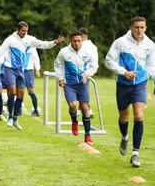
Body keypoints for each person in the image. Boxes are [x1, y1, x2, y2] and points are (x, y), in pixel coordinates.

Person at [0, 21, 64, 130]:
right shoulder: (10, 39)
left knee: (20, 95)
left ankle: (14, 119)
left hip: (21, 70)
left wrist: (55, 42)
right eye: (23, 31)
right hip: (9, 69)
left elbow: (42, 44)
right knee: (12, 92)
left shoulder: (29, 39)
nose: (25, 33)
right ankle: (10, 117)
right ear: (18, 30)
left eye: (26, 31)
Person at [105, 16, 155, 167]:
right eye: (136, 27)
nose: (139, 30)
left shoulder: (150, 45)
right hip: (123, 84)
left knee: (139, 115)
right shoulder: (120, 42)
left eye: (142, 27)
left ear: (145, 28)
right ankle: (125, 136)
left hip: (140, 83)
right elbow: (108, 60)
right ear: (131, 27)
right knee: (123, 117)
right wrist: (123, 72)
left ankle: (135, 154)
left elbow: (151, 65)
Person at [54, 31, 98, 145]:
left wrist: (87, 73)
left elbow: (94, 66)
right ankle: (74, 121)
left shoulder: (88, 51)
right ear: (70, 41)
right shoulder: (64, 52)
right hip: (69, 83)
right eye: (75, 41)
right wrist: (60, 78)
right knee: (73, 105)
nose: (77, 43)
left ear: (82, 41)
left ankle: (87, 135)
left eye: (79, 41)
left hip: (83, 83)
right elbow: (57, 64)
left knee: (84, 107)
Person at [77, 28, 98, 118]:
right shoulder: (94, 46)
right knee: (82, 91)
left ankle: (88, 109)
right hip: (89, 72)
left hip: (81, 72)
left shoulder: (82, 46)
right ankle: (80, 110)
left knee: (80, 92)